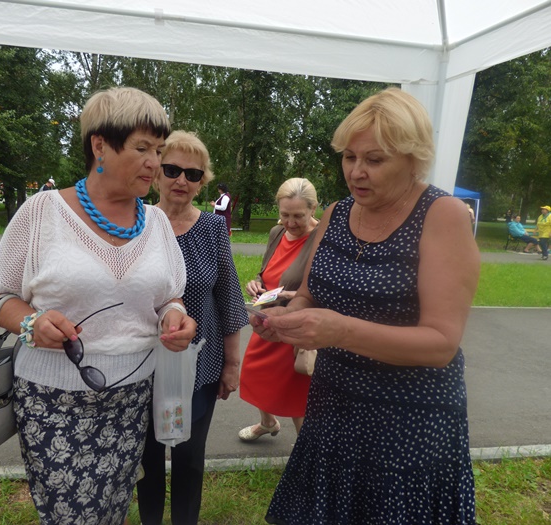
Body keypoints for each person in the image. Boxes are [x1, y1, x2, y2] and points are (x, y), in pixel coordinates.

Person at [251, 88, 480, 524]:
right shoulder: (336, 214)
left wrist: (340, 331)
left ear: (413, 159)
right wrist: (285, 318)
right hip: (332, 410)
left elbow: (441, 344)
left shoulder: (443, 215)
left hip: (408, 425)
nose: (356, 172)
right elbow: (310, 294)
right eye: (349, 157)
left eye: (374, 160)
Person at [0, 86, 197, 525]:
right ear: (100, 145)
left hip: (132, 398)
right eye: (142, 148)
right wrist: (32, 323)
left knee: (114, 507)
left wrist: (175, 316)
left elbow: (168, 297)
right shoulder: (42, 212)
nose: (154, 163)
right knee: (70, 515)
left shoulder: (156, 222)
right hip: (53, 399)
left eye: (158, 150)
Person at [136, 130, 249, 524]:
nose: (181, 180)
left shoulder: (212, 229)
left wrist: (231, 364)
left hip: (199, 368)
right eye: (172, 170)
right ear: (156, 172)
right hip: (142, 367)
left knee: (189, 457)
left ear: (203, 182)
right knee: (147, 457)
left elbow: (229, 298)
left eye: (193, 174)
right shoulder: (135, 223)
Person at [238, 178, 320, 441]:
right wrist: (256, 283)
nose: (290, 223)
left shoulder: (322, 239)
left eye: (298, 216)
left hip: (295, 326)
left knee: (296, 394)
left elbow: (327, 290)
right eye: (285, 215)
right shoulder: (276, 232)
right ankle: (268, 423)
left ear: (313, 209)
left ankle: (305, 453)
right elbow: (267, 273)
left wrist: (294, 296)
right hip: (266, 320)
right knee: (255, 375)